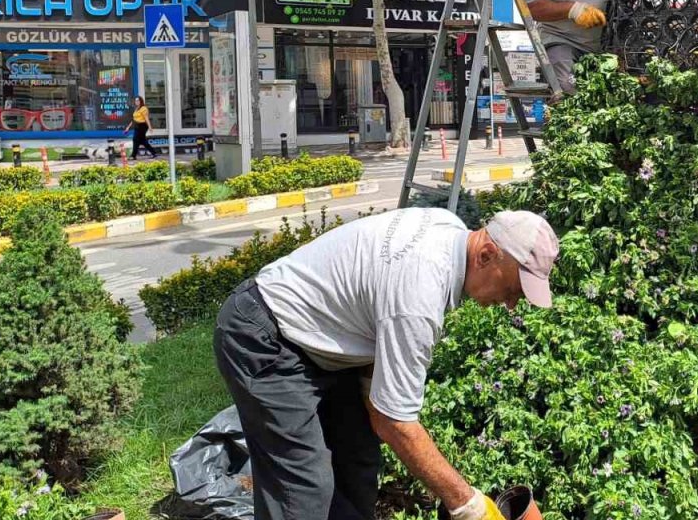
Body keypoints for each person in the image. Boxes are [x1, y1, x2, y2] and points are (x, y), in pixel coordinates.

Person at [213, 207, 560, 520]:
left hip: (324, 344)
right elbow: (395, 422)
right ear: (486, 254)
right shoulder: (419, 294)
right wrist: (467, 505)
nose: (512, 304)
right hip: (267, 335)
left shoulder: (451, 230)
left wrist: (372, 392)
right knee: (302, 488)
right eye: (514, 289)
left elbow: (382, 403)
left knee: (356, 460)